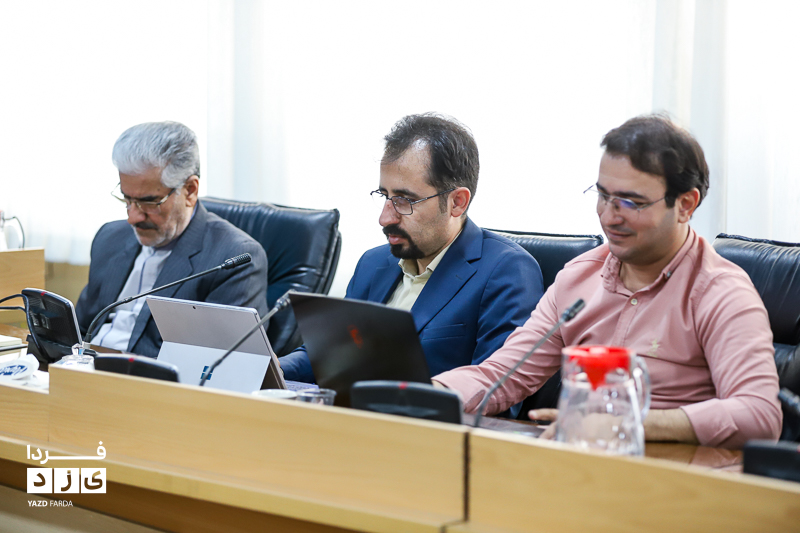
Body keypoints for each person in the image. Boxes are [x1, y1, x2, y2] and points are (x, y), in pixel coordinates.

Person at [433, 115, 782, 449]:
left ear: (685, 205)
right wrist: (428, 392)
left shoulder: (721, 291)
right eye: (603, 195)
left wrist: (630, 422)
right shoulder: (579, 278)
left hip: (677, 476)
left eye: (631, 202)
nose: (609, 216)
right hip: (581, 469)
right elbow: (501, 375)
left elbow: (759, 414)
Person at [280, 113, 544, 386]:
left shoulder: (506, 271)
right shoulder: (373, 263)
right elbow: (330, 352)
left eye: (405, 200)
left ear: (457, 202)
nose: (385, 218)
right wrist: (273, 367)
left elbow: (497, 388)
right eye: (385, 196)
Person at [76, 121, 268, 357]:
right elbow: (81, 330)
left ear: (190, 190)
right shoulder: (109, 237)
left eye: (149, 202)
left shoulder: (232, 257)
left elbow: (224, 363)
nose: (133, 217)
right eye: (127, 199)